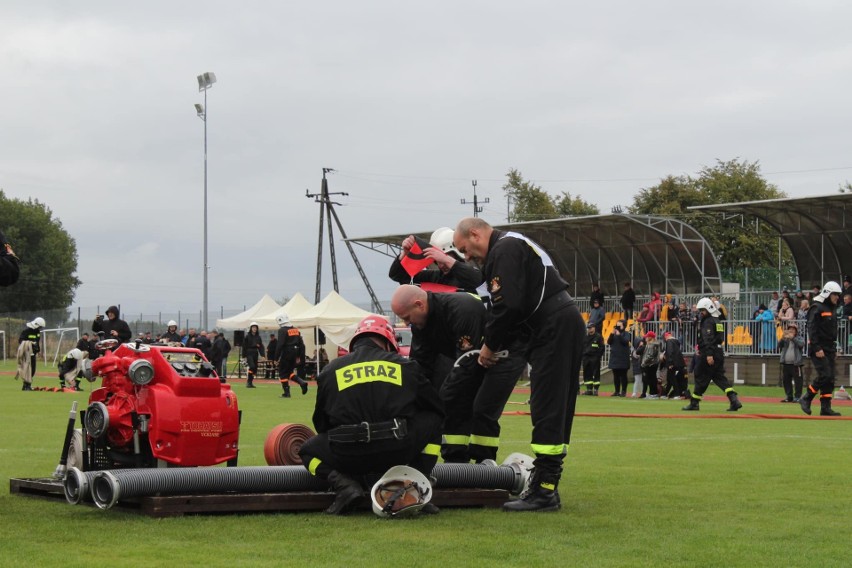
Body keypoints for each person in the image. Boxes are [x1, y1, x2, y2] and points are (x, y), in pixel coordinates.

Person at [454, 217, 585, 512]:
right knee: (549, 406)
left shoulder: (505, 249)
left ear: (475, 233)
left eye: (465, 249)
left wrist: (490, 346)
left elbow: (507, 306)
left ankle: (545, 491)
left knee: (548, 407)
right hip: (552, 326)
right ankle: (545, 486)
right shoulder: (511, 244)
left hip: (554, 327)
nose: (467, 257)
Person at [298, 315, 443, 515]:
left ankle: (344, 486)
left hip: (348, 455)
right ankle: (417, 483)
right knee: (434, 421)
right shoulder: (406, 367)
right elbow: (435, 407)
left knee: (306, 451)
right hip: (397, 451)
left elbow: (321, 423)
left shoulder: (330, 370)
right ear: (387, 340)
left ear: (356, 340)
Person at [391, 284, 525, 463]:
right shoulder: (420, 324)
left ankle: (484, 465)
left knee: (481, 409)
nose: (407, 323)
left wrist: (439, 399)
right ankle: (455, 461)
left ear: (419, 305)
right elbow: (421, 365)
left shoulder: (461, 309)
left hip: (505, 355)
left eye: (407, 318)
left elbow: (467, 364)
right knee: (452, 405)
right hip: (471, 357)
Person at [682, 298, 743, 412]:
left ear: (708, 309)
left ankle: (694, 403)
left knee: (701, 377)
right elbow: (719, 337)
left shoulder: (708, 321)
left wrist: (709, 354)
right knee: (720, 378)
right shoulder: (717, 320)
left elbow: (708, 338)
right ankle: (734, 400)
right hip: (719, 352)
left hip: (709, 353)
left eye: (702, 310)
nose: (701, 313)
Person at [388, 227, 483, 294]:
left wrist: (446, 260)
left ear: (457, 255)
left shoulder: (471, 276)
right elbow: (397, 275)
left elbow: (479, 280)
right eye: (438, 261)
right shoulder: (435, 277)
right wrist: (405, 253)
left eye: (443, 259)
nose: (441, 265)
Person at [800, 281, 843, 416]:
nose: (837, 297)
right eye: (835, 294)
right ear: (828, 293)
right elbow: (812, 329)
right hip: (819, 348)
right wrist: (817, 347)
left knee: (830, 379)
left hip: (829, 347)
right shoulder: (816, 307)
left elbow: (832, 331)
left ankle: (825, 407)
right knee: (825, 375)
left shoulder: (832, 309)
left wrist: (835, 348)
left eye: (838, 295)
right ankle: (806, 397)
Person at [275, 314, 309, 397]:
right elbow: (302, 345)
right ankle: (302, 382)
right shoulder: (296, 330)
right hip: (295, 352)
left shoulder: (282, 330)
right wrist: (300, 356)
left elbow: (280, 344)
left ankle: (286, 393)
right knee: (289, 372)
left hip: (287, 352)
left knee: (282, 372)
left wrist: (276, 358)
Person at [777, 323, 804, 403]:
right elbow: (779, 345)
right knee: (786, 381)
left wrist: (793, 338)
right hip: (786, 363)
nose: (791, 331)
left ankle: (797, 397)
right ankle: (789, 396)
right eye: (790, 329)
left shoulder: (799, 338)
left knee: (798, 381)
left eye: (793, 329)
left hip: (796, 364)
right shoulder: (786, 339)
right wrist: (782, 337)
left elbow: (801, 345)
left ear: (796, 331)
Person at [17, 317, 45, 390]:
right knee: (27, 370)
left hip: (33, 354)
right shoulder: (26, 331)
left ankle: (27, 385)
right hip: (26, 354)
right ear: (36, 324)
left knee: (33, 370)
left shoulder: (37, 332)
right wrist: (30, 343)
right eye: (39, 326)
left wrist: (37, 349)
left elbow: (37, 342)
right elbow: (20, 341)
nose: (40, 328)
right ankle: (27, 385)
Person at [660, 330, 688, 399]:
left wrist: (670, 363)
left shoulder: (669, 342)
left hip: (673, 363)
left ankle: (676, 394)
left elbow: (670, 352)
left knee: (672, 379)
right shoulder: (676, 342)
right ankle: (665, 394)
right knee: (670, 379)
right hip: (678, 363)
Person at [607, 319, 631, 397]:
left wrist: (619, 335)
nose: (617, 327)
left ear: (623, 326)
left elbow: (625, 341)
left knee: (623, 375)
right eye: (616, 325)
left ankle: (623, 391)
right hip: (614, 357)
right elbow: (609, 342)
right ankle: (616, 391)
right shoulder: (614, 334)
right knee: (616, 375)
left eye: (619, 325)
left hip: (623, 357)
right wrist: (611, 334)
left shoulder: (626, 334)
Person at [581, 324, 604, 396]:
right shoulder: (585, 337)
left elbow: (602, 348)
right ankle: (589, 389)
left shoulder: (598, 337)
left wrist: (598, 356)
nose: (589, 329)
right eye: (588, 328)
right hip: (586, 358)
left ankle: (596, 390)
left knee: (595, 374)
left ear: (594, 328)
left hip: (594, 358)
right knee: (587, 374)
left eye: (590, 328)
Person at [242, 322, 265, 388]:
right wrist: (244, 356)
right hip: (249, 353)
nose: (254, 329)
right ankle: (248, 382)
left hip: (255, 353)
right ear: (251, 328)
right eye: (253, 327)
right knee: (252, 366)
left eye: (255, 327)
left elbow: (260, 347)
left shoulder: (258, 337)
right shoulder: (247, 336)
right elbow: (244, 346)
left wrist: (263, 355)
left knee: (255, 369)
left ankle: (250, 382)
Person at [639, 331, 661, 399]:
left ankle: (653, 394)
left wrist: (644, 363)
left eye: (647, 337)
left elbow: (650, 355)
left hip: (651, 364)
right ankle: (653, 393)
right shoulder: (654, 344)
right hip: (653, 363)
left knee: (651, 379)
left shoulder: (652, 345)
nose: (646, 338)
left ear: (650, 337)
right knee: (652, 379)